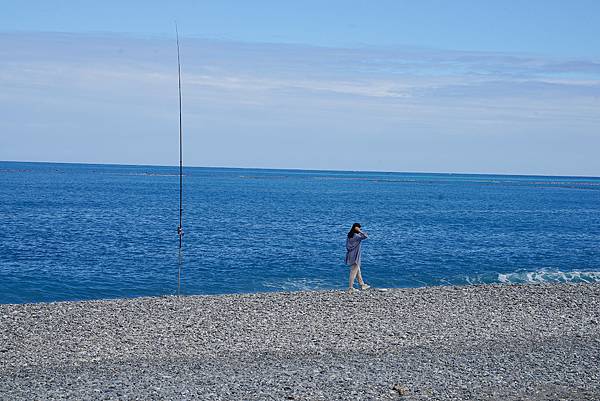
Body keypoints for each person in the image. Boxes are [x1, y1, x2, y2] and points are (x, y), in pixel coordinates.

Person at [345, 223, 370, 292]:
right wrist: (360, 231)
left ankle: (362, 285)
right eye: (359, 228)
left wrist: (358, 230)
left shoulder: (349, 235)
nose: (360, 229)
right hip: (355, 256)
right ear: (356, 228)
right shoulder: (356, 236)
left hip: (350, 254)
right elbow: (366, 236)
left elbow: (347, 246)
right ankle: (350, 287)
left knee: (358, 271)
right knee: (353, 272)